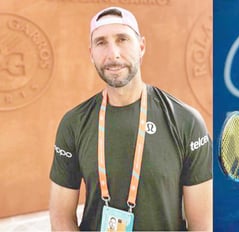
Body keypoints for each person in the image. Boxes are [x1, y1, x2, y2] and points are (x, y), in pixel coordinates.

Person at [49, 6, 212, 231]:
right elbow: (61, 217)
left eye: (122, 39)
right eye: (101, 42)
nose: (113, 53)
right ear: (91, 53)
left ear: (141, 46)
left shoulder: (185, 121)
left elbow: (202, 223)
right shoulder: (74, 123)